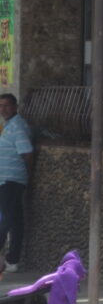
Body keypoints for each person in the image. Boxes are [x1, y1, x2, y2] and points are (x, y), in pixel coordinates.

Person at [0, 94, 33, 273]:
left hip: (12, 180)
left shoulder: (18, 127)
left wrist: (26, 174)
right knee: (15, 220)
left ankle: (9, 259)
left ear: (15, 107)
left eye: (6, 106)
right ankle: (12, 260)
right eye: (0, 106)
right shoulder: (7, 125)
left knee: (6, 219)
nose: (3, 109)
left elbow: (27, 152)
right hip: (6, 179)